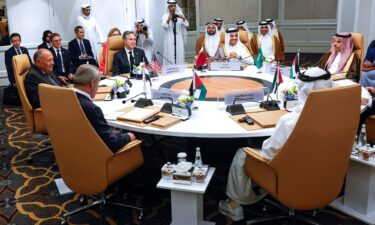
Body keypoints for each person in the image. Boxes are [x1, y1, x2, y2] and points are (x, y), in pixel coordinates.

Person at [218, 67, 335, 221]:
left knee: (242, 154)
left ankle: (233, 206)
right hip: (325, 172)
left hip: (290, 174)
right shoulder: (339, 113)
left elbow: (268, 153)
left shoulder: (290, 121)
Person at [73, 64, 136, 152]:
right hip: (96, 156)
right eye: (98, 83)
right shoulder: (92, 109)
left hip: (72, 149)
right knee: (134, 136)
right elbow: (112, 143)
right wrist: (128, 136)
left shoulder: (65, 99)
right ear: (92, 83)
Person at [162, 0, 189, 65]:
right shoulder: (165, 16)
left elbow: (187, 25)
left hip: (179, 39)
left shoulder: (179, 15)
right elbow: (164, 26)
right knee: (170, 54)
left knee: (179, 54)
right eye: (171, 6)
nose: (173, 7)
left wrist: (183, 18)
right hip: (169, 39)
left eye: (174, 6)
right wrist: (168, 20)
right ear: (168, 7)